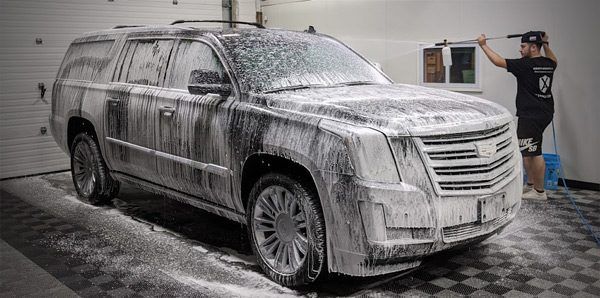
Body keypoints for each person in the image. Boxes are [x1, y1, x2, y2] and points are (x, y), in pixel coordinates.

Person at [477, 31, 557, 200]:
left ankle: (539, 192)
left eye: (523, 46)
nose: (520, 50)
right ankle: (531, 186)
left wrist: (483, 45)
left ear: (534, 47)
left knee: (534, 152)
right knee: (527, 150)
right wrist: (547, 45)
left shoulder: (525, 65)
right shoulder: (548, 63)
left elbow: (498, 61)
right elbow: (555, 60)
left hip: (531, 115)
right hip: (545, 112)